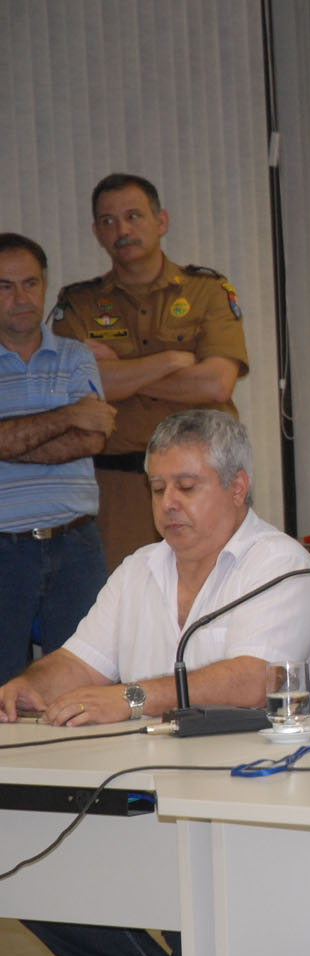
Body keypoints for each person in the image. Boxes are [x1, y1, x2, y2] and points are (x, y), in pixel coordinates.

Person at [0, 408, 310, 956]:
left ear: (238, 487)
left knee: (200, 938)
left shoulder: (281, 566)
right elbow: (79, 661)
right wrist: (29, 684)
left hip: (268, 804)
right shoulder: (140, 570)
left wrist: (130, 697)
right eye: (158, 488)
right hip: (155, 796)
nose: (169, 504)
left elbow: (254, 680)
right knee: (38, 876)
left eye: (187, 486)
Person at [51, 173, 249, 569]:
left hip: (203, 481)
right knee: (126, 596)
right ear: (97, 232)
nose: (122, 230)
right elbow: (80, 387)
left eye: (133, 216)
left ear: (161, 221)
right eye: (108, 221)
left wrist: (119, 374)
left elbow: (216, 384)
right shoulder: (79, 303)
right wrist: (170, 360)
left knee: (217, 589)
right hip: (117, 488)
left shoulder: (207, 291)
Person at [0, 234, 114, 682]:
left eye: (30, 283)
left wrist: (11, 440)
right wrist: (67, 415)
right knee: (4, 685)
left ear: (45, 285)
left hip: (76, 545)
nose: (21, 298)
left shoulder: (76, 356)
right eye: (5, 286)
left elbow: (92, 439)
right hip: (4, 550)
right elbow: (77, 426)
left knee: (82, 680)